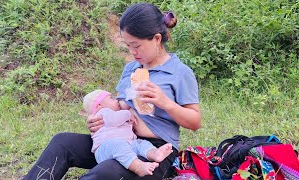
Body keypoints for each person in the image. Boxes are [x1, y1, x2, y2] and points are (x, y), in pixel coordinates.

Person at [23, 2, 201, 180]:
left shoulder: (180, 72)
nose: (132, 52)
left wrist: (165, 102)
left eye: (136, 46)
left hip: (155, 151)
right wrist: (99, 118)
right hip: (119, 137)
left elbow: (195, 122)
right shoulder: (131, 69)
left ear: (156, 39)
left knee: (105, 172)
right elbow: (120, 106)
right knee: (62, 142)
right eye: (127, 45)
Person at [81, 89, 173, 176]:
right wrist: (128, 114)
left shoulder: (111, 112)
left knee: (141, 144)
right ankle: (138, 166)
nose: (116, 100)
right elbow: (115, 120)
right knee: (118, 145)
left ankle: (154, 153)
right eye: (111, 98)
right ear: (99, 105)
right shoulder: (102, 113)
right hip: (106, 147)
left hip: (127, 143)